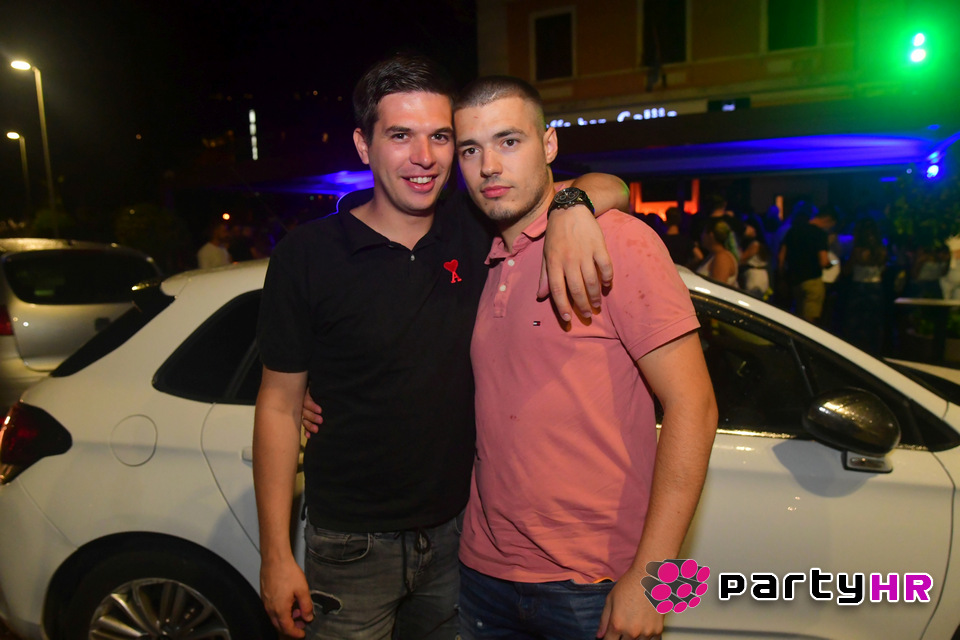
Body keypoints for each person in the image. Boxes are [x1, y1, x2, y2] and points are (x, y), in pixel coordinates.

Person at [254, 54, 628, 640]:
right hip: (350, 542)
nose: (424, 157)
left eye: (440, 137)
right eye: (400, 136)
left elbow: (611, 185)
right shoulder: (309, 256)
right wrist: (276, 556)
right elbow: (278, 405)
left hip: (461, 537)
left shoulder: (475, 225)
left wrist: (572, 208)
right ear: (363, 145)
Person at [452, 76, 717, 640]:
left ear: (548, 144)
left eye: (509, 141)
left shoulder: (618, 241)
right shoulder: (480, 253)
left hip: (593, 582)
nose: (489, 166)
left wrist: (653, 578)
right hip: (481, 575)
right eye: (470, 150)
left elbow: (693, 406)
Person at [778, 206, 835, 323]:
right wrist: (832, 263)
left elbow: (781, 257)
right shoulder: (820, 234)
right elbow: (823, 261)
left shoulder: (794, 230)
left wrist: (782, 277)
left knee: (796, 316)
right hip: (812, 280)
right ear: (828, 220)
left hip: (794, 280)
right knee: (809, 319)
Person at [697, 217, 739, 287]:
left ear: (711, 235)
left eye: (703, 233)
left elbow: (717, 288)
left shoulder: (722, 258)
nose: (701, 236)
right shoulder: (713, 255)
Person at [739, 216, 771, 298]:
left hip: (755, 276)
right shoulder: (760, 244)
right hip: (760, 275)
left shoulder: (755, 244)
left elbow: (741, 259)